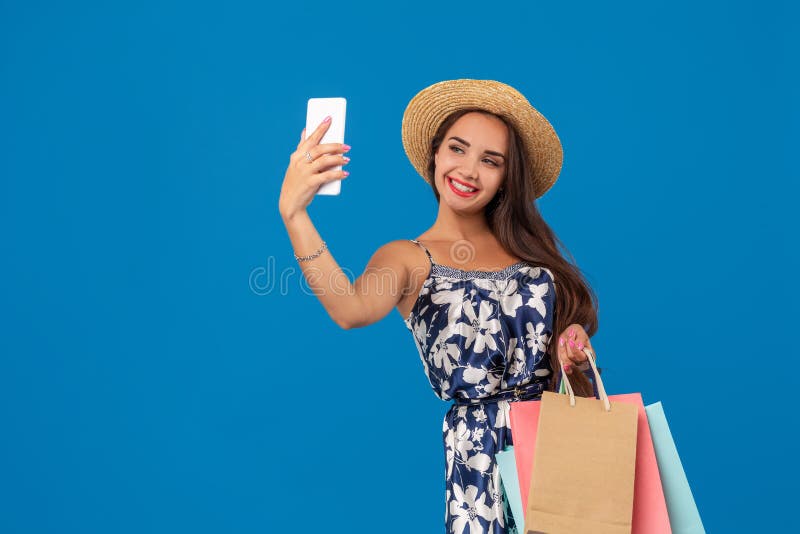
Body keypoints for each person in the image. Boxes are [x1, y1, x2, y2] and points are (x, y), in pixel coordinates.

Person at [279, 79, 600, 533]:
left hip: (558, 443)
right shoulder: (409, 258)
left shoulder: (533, 256)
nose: (469, 171)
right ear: (434, 153)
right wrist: (295, 214)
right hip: (481, 462)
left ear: (508, 177)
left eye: (491, 161)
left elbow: (558, 348)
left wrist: (570, 345)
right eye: (458, 149)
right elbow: (350, 309)